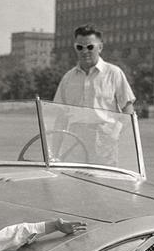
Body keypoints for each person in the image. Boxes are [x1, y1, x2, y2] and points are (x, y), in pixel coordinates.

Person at [53, 24, 135, 166]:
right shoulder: (68, 78)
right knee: (74, 186)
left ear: (100, 47)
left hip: (103, 143)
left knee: (103, 186)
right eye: (80, 47)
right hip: (74, 142)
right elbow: (61, 117)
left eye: (90, 47)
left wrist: (114, 135)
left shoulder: (114, 73)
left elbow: (128, 111)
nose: (85, 51)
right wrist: (53, 152)